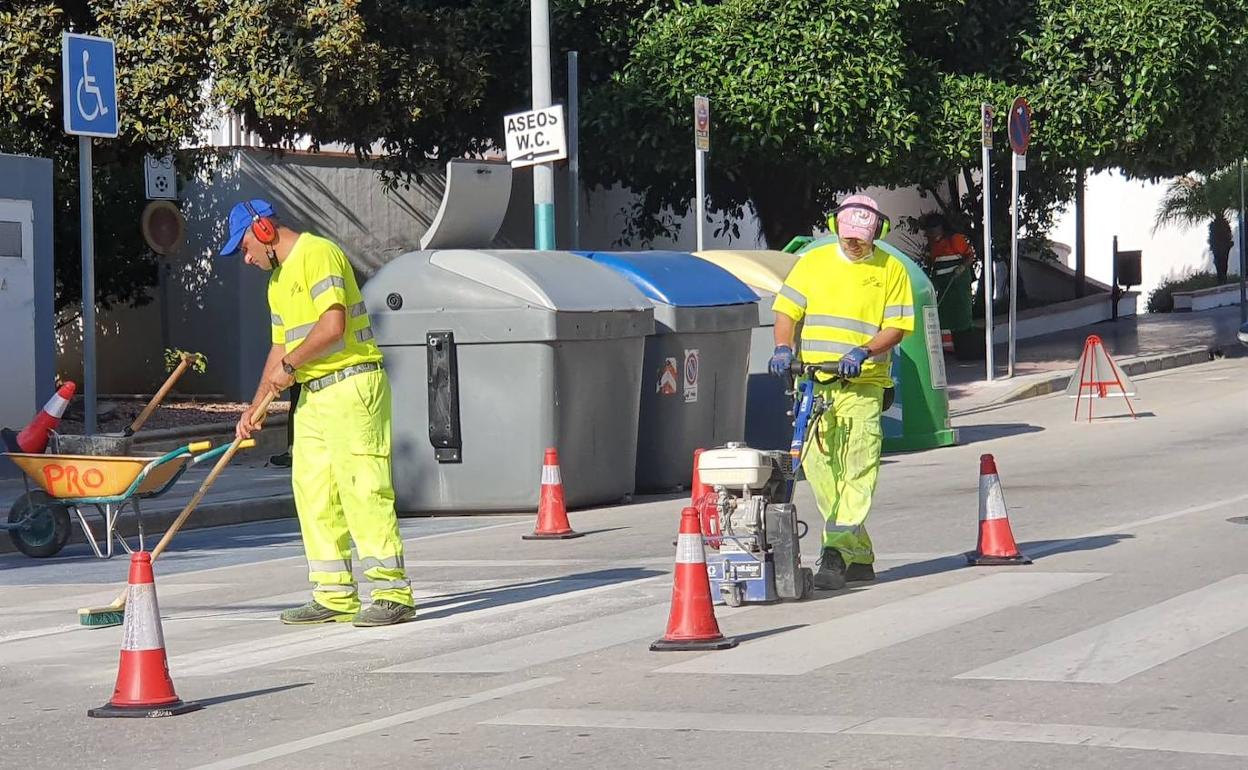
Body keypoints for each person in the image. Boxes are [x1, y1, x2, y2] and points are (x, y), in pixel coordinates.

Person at [223, 198, 415, 627]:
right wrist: (255, 407)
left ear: (265, 230)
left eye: (246, 246)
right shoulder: (276, 283)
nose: (247, 257)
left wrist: (289, 368)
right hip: (312, 395)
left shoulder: (319, 254)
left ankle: (391, 592)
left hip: (352, 384)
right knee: (313, 492)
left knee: (362, 487)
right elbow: (279, 348)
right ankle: (333, 595)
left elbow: (333, 327)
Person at [767, 194, 914, 590]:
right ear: (835, 228)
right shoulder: (812, 263)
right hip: (814, 384)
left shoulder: (892, 270)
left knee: (858, 468)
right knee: (820, 470)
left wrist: (865, 350)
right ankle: (859, 555)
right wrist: (783, 347)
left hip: (863, 385)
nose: (853, 243)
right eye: (848, 236)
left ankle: (834, 552)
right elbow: (787, 312)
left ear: (878, 233)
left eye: (861, 238)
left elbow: (897, 326)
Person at [921, 212, 976, 345]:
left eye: (934, 231)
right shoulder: (931, 245)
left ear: (941, 228)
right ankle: (947, 346)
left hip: (958, 283)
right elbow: (930, 263)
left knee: (962, 312)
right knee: (943, 314)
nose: (933, 235)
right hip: (942, 283)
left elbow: (970, 256)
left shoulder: (955, 239)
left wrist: (962, 268)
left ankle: (965, 342)